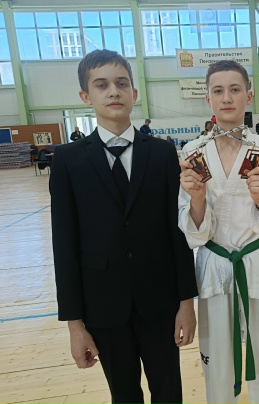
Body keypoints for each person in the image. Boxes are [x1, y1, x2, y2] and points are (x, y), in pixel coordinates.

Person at [49, 49, 198, 404]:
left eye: (121, 83)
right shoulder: (68, 160)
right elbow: (64, 246)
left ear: (134, 92)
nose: (113, 91)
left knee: (168, 391)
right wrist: (74, 325)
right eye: (101, 85)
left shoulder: (161, 154)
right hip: (102, 305)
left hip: (159, 301)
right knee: (124, 394)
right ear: (86, 96)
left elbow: (177, 232)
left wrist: (186, 302)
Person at [178, 60, 259, 404]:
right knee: (217, 367)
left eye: (234, 89)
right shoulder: (192, 152)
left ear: (248, 95)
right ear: (208, 99)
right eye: (218, 91)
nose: (226, 98)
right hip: (215, 266)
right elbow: (192, 232)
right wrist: (197, 199)